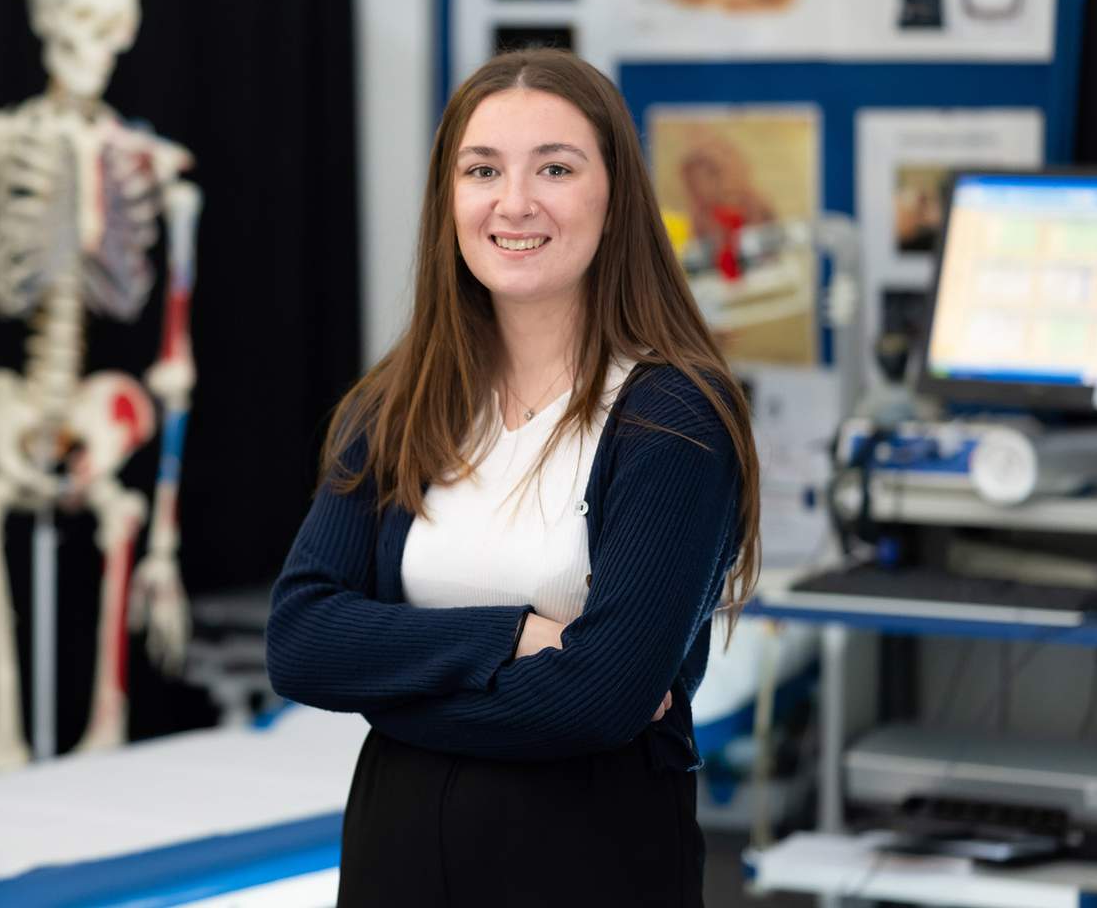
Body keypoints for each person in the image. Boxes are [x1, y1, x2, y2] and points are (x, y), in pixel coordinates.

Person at [266, 48, 760, 905]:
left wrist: (387, 698)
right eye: (482, 169)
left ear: (616, 199)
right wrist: (515, 636)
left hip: (590, 864)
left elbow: (601, 701)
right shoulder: (397, 405)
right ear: (448, 199)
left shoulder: (672, 417)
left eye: (556, 168)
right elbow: (302, 639)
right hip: (398, 857)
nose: (514, 202)